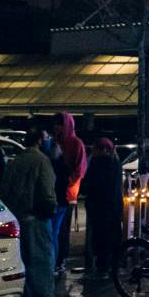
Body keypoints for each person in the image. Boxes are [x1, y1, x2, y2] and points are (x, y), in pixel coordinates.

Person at [0, 124, 57, 297]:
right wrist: (50, 209)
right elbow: (47, 192)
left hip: (18, 217)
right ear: (40, 140)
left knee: (24, 259)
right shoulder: (41, 161)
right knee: (41, 257)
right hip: (37, 217)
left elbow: (5, 190)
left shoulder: (15, 162)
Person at [80, 135, 124, 279]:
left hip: (98, 207)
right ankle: (115, 266)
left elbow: (87, 186)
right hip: (115, 206)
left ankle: (102, 268)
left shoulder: (97, 164)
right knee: (114, 236)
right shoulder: (116, 163)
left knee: (100, 238)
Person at [51, 111, 87, 275]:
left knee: (62, 230)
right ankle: (55, 259)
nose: (56, 127)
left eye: (59, 124)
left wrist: (67, 182)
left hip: (67, 194)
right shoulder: (54, 142)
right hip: (53, 192)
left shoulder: (75, 143)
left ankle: (61, 260)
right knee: (53, 229)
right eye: (55, 124)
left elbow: (78, 170)